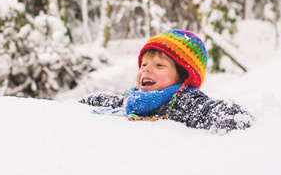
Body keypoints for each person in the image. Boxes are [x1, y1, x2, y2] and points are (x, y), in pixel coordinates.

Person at [80, 30, 253, 133]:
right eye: (144, 64)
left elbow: (229, 114)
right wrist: (82, 103)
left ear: (182, 76)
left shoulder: (186, 103)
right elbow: (111, 101)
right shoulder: (133, 102)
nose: (146, 69)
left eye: (159, 65)